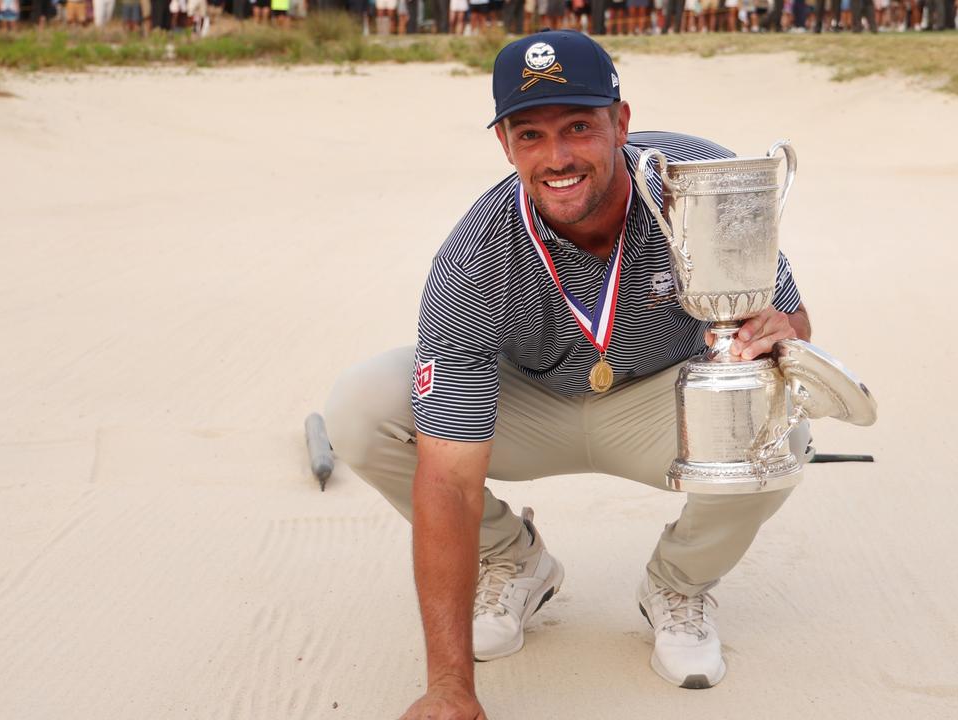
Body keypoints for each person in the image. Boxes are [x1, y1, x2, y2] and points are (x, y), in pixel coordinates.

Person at [323, 30, 813, 718]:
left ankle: (678, 584)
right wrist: (449, 690)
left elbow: (793, 320)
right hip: (532, 406)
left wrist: (776, 336)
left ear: (622, 122)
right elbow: (449, 479)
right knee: (360, 405)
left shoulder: (697, 183)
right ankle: (513, 561)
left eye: (579, 127)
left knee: (779, 423)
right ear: (505, 146)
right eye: (530, 135)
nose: (556, 158)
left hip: (661, 405)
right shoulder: (473, 257)